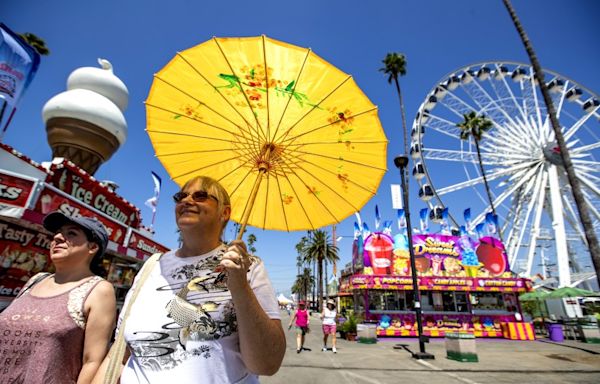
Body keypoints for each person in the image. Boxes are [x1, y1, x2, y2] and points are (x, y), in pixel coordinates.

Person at [94, 175, 285, 383]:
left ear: (225, 213)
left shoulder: (249, 267)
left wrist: (240, 286)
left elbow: (267, 363)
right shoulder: (152, 265)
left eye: (201, 195)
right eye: (181, 196)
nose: (187, 200)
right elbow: (120, 351)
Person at [0, 211, 116, 383]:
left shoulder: (99, 290)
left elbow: (92, 361)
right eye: (57, 233)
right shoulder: (35, 280)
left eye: (71, 233)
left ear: (92, 247)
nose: (58, 238)